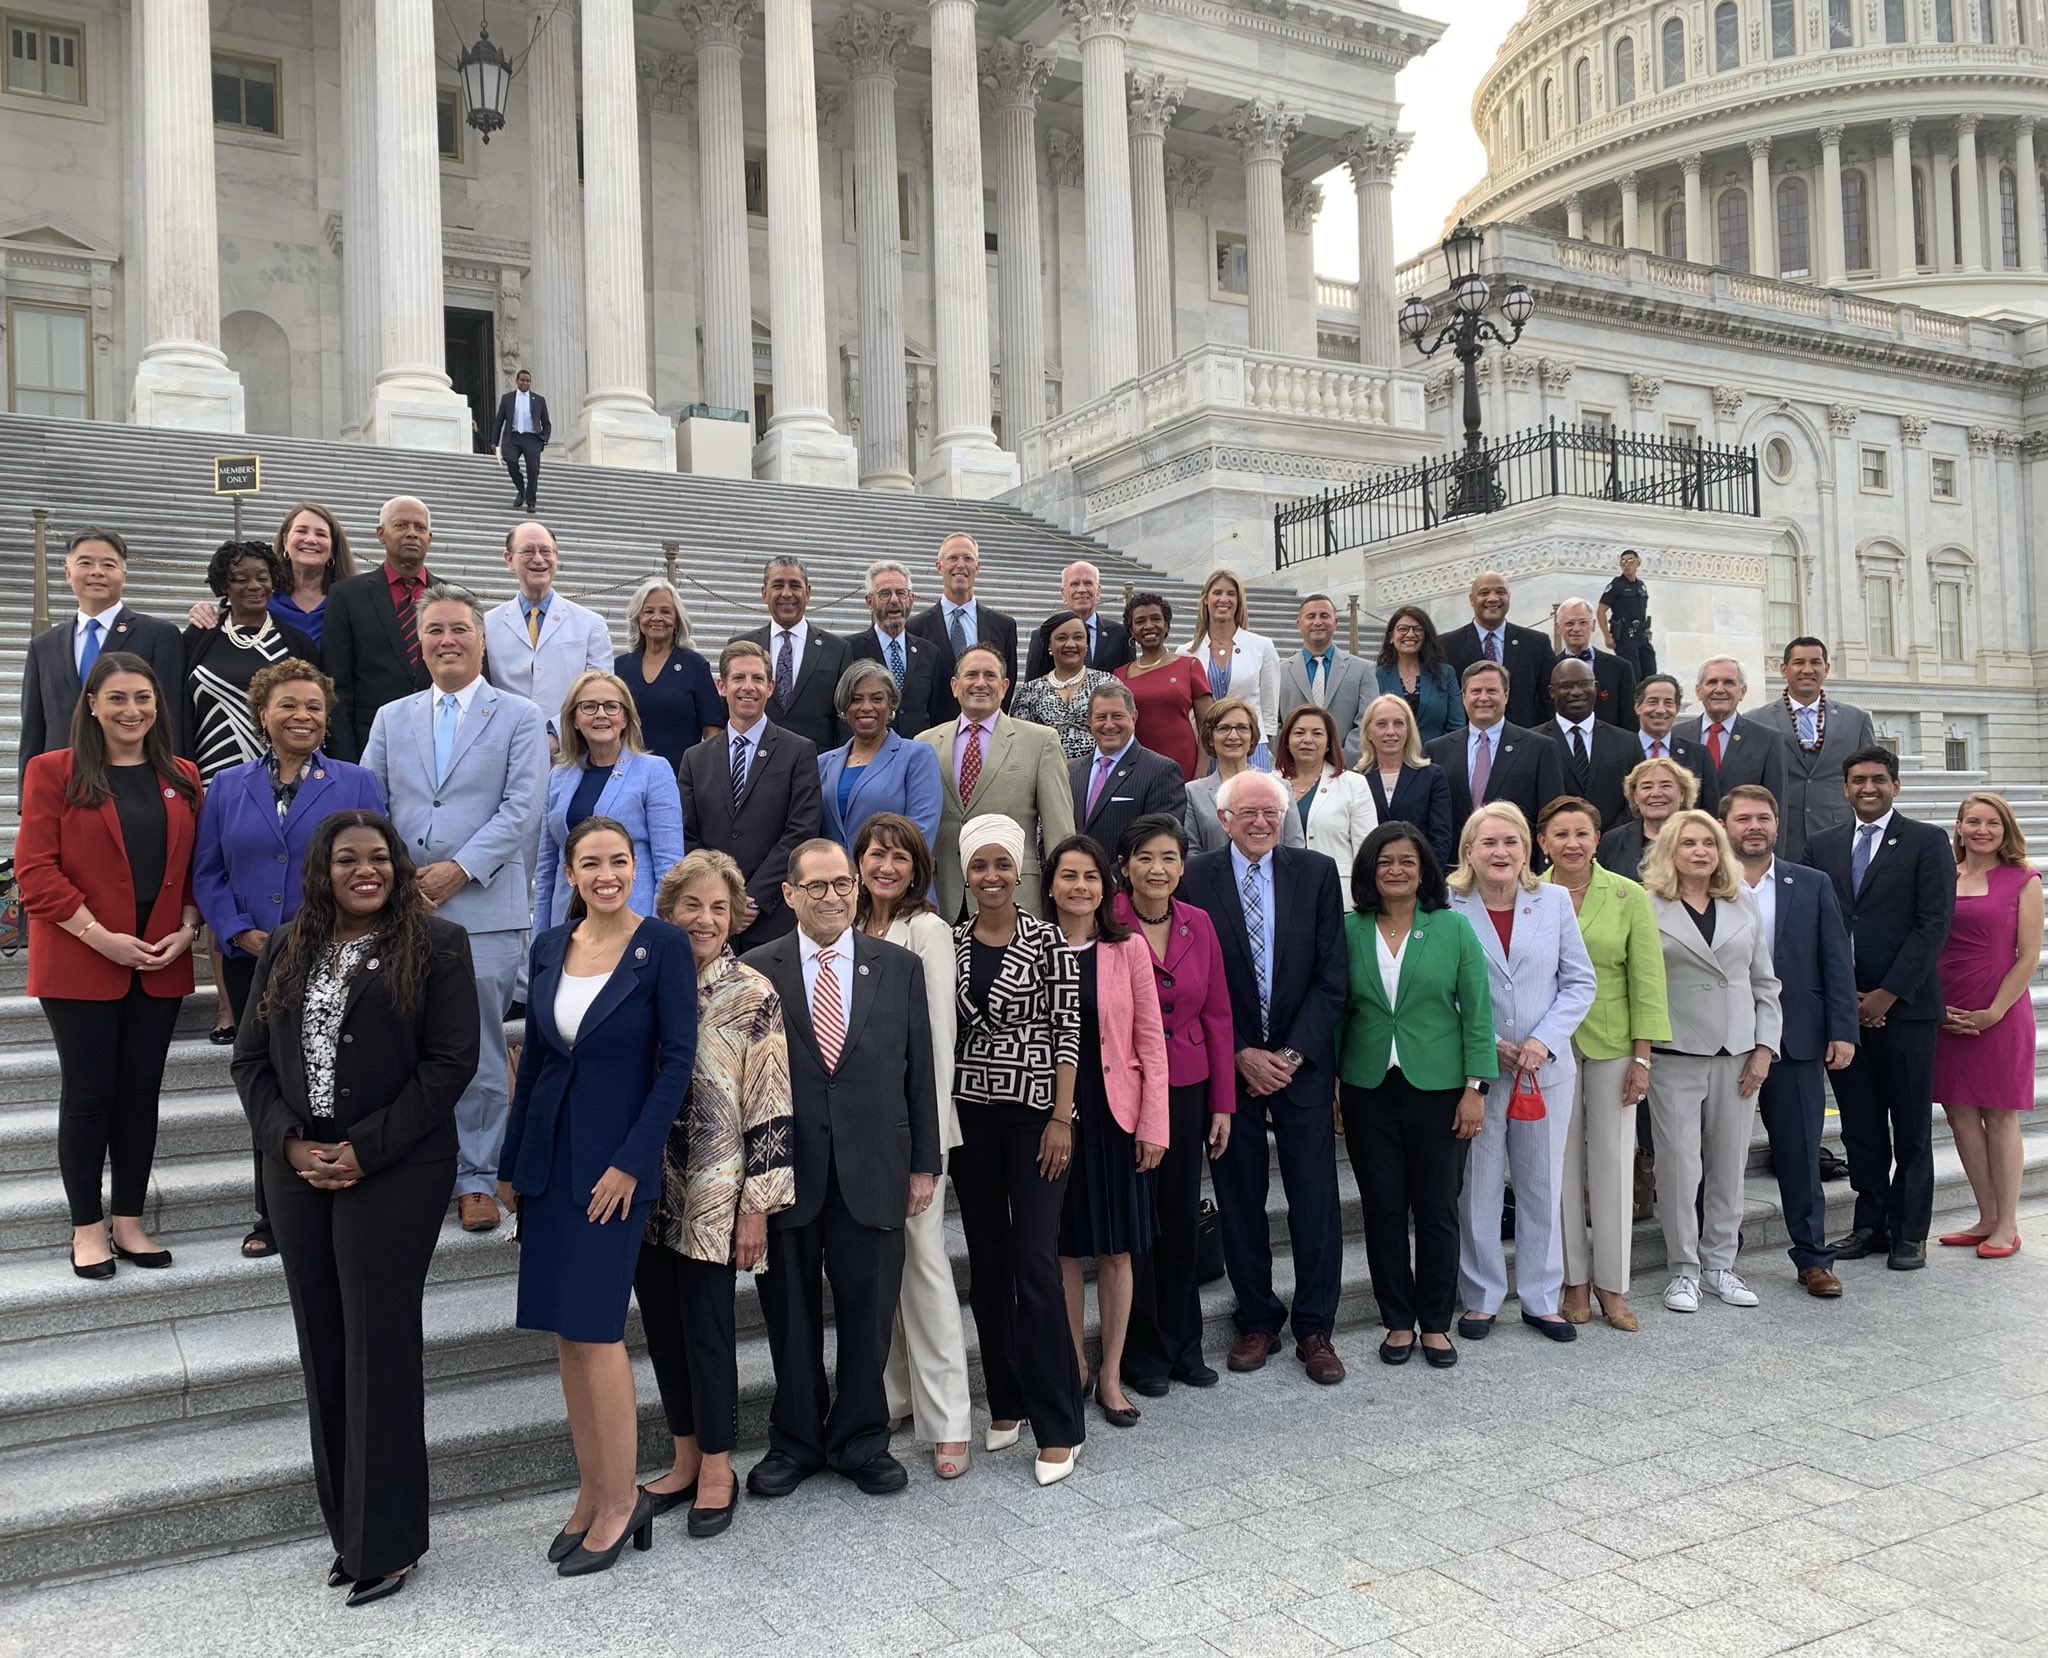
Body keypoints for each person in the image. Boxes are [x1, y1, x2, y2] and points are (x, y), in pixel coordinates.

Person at [229, 810, 480, 1605]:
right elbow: (249, 1061)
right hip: (297, 1170)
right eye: (346, 859)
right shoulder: (287, 945)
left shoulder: (439, 944)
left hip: (396, 1168)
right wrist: (288, 1144)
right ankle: (350, 1532)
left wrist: (364, 1148)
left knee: (379, 1345)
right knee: (324, 1342)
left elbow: (450, 1065)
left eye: (379, 857)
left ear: (398, 866)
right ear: (322, 869)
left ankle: (391, 1543)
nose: (364, 870)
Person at [498, 817, 695, 1574]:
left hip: (615, 1167)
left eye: (618, 860)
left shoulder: (663, 946)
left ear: (635, 866)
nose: (605, 874)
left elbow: (676, 1063)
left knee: (598, 1328)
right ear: (572, 871)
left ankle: (621, 1503)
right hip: (552, 1159)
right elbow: (537, 1062)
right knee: (566, 1332)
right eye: (591, 862)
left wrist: (631, 1164)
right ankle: (592, 1492)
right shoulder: (551, 945)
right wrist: (513, 1163)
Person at [742, 840, 940, 1499]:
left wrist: (924, 1164)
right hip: (786, 1173)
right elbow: (743, 1083)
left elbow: (920, 1071)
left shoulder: (899, 966)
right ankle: (796, 1440)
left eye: (842, 884)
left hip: (875, 1166)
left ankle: (861, 1440)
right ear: (789, 894)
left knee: (869, 1312)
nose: (832, 896)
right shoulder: (756, 969)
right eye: (816, 886)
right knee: (789, 1314)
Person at [364, 584, 548, 1234]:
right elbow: (371, 803)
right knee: (399, 1042)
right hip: (401, 908)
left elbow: (523, 808)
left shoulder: (520, 716)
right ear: (420, 641)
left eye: (459, 629)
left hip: (485, 907)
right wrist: (395, 875)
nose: (447, 640)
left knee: (479, 1046)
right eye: (435, 630)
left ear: (482, 639)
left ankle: (476, 1176)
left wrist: (459, 869)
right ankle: (412, 1166)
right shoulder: (392, 717)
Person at [18, 653, 203, 1279]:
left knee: (140, 1093)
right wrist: (102, 939)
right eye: (118, 698)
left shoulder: (182, 775)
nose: (133, 710)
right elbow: (36, 873)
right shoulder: (52, 771)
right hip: (81, 954)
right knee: (90, 1092)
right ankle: (86, 1227)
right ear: (92, 705)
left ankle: (128, 1219)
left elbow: (195, 868)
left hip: (159, 957)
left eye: (143, 698)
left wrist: (188, 929)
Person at [194, 659, 386, 1257]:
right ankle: (272, 1212)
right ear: (262, 714)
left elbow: (374, 864)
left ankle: (343, 1180)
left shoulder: (356, 781)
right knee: (268, 1079)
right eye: (288, 705)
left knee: (332, 1074)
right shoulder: (227, 787)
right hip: (251, 955)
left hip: (335, 953)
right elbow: (208, 872)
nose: (302, 716)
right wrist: (237, 931)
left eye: (314, 707)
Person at [638, 850, 794, 1539]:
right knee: (662, 1328)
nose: (704, 919)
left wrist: (756, 1206)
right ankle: (683, 1458)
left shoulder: (752, 992)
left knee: (707, 1331)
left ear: (733, 919)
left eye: (719, 908)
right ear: (668, 911)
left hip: (714, 1189)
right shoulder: (640, 978)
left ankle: (718, 1467)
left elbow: (770, 1102)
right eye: (692, 905)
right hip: (644, 1188)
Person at [1178, 770, 1349, 1384]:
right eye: (1246, 813)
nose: (1259, 822)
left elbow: (1333, 978)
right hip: (1230, 1070)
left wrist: (1292, 1057)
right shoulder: (1194, 877)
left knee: (1315, 1200)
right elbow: (1189, 978)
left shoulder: (1317, 874)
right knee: (1239, 1197)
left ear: (1284, 818)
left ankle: (1315, 1328)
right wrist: (1240, 1054)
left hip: (1302, 1067)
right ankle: (1256, 1319)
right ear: (1222, 820)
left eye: (1270, 813)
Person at [949, 813, 1085, 1483]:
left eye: (1002, 864)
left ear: (1020, 870)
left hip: (1036, 1118)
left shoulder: (1049, 939)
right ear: (966, 874)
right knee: (988, 1265)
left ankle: (1060, 1424)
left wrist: (1062, 1117)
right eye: (980, 866)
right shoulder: (950, 943)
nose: (992, 876)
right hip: (970, 1118)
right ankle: (1006, 1401)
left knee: (1034, 1261)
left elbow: (1068, 1030)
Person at [1338, 822, 1495, 1367]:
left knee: (1436, 1209)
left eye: (1407, 861)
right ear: (1369, 870)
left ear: (1425, 869)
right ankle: (1397, 1322)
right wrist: (1333, 1084)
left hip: (1441, 1089)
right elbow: (1339, 1012)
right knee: (1382, 1209)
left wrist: (1476, 1088)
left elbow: (1478, 1013)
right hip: (1367, 1088)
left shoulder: (1452, 928)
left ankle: (1435, 1323)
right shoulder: (1348, 929)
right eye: (1385, 861)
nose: (1396, 870)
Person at [1446, 803, 1596, 1344]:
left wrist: (1541, 1042)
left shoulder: (1552, 901)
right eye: (1488, 842)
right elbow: (1440, 987)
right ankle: (1482, 1297)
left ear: (1528, 850)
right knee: (1478, 1188)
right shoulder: (1448, 904)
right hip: (1477, 1076)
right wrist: (1488, 1044)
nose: (1501, 852)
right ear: (1469, 851)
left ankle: (1540, 1298)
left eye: (1511, 842)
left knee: (1540, 1185)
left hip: (1543, 1072)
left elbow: (1579, 982)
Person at [853, 815, 971, 1479]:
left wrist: (928, 1147)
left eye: (900, 857)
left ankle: (950, 1420)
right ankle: (896, 1396)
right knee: (881, 1267)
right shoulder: (846, 928)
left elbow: (937, 1042)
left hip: (916, 1129)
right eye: (877, 854)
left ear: (918, 867)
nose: (887, 867)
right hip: (861, 1130)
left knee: (923, 1267)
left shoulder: (926, 930)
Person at [1809, 748, 1956, 1272]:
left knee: (1911, 1126)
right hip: (1844, 1010)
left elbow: (1933, 924)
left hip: (1907, 1009)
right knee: (1860, 1125)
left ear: (1896, 785)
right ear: (1844, 788)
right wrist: (1846, 999)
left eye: (1877, 779)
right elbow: (1816, 923)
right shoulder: (1822, 845)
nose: (1867, 788)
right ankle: (1870, 1224)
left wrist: (1886, 994)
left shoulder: (1927, 841)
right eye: (1857, 780)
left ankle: (1910, 1231)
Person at [1045, 835, 1169, 1430]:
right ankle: (1073, 1363)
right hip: (1053, 1120)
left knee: (1117, 1251)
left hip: (1116, 1115)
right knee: (1065, 1249)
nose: (1080, 886)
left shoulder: (1128, 949)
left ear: (1105, 886)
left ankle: (1112, 1375)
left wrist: (1154, 1124)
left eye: (1090, 876)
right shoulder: (1035, 948)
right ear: (1050, 885)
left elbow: (1151, 1040)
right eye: (1068, 875)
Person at [1112, 815, 1235, 1396]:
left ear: (1183, 867)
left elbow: (1217, 1014)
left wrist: (1222, 1104)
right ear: (1124, 866)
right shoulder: (1107, 921)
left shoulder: (1198, 923)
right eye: (1145, 857)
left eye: (1168, 858)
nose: (1157, 869)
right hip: (1127, 1089)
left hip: (1187, 1087)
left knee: (1181, 1219)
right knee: (1139, 1221)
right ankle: (1143, 1353)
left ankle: (1185, 1345)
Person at [1640, 810, 1781, 1314]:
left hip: (1737, 1053)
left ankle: (1721, 1264)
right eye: (1688, 843)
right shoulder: (1646, 903)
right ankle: (1684, 1270)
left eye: (1707, 843)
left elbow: (1764, 981)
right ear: (1669, 851)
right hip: (1675, 1052)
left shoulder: (1741, 899)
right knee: (1679, 1167)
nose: (1699, 851)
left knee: (1729, 1164)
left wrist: (1765, 1048)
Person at [180, 540, 322, 1040]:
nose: (253, 585)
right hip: (214, 781)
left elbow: (315, 703)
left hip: (283, 776)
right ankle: (227, 1005)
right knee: (223, 883)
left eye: (262, 576)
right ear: (223, 584)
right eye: (240, 577)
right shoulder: (199, 637)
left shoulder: (294, 639)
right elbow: (179, 705)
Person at [1536, 797, 1668, 1331]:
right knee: (1560, 1164)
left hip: (1613, 1045)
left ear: (1597, 839)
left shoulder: (1627, 894)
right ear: (1543, 842)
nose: (1572, 843)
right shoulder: (1529, 893)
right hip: (1549, 1046)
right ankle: (1574, 1280)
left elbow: (1648, 980)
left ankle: (1613, 1284)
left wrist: (1643, 1058)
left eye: (1582, 833)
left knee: (1613, 1162)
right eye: (1560, 834)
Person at [1722, 785, 1858, 1297]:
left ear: (1777, 824)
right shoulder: (1707, 884)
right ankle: (1720, 1252)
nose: (1754, 827)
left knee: (1800, 1153)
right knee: (1719, 1153)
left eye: (1763, 818)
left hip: (1797, 1037)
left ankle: (1814, 1258)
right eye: (1743, 819)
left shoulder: (1811, 882)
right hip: (1724, 1039)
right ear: (1725, 825)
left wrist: (1843, 1029)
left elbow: (1835, 959)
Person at [1934, 792, 2040, 1261]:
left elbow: (2029, 956)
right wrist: (1936, 1005)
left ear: (2005, 829)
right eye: (1973, 821)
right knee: (1959, 1114)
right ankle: (1986, 1216)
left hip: (2000, 1009)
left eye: (1992, 823)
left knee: (1998, 1115)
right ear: (1959, 827)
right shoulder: (1943, 876)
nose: (1982, 830)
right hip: (1947, 1009)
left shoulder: (2023, 878)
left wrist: (1995, 1011)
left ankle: (2008, 1224)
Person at [677, 640, 824, 953]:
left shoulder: (799, 751)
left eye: (757, 678)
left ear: (770, 687)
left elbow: (801, 830)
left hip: (773, 918)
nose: (748, 687)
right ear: (721, 686)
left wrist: (751, 898)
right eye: (738, 678)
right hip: (710, 920)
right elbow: (688, 834)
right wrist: (720, 898)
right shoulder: (694, 758)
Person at [918, 643, 1075, 919]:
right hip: (942, 898)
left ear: (1004, 687)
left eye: (990, 675)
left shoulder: (1041, 741)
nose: (980, 683)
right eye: (971, 674)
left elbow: (1059, 832)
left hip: (1015, 896)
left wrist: (1065, 899)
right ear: (954, 686)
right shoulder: (924, 744)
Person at [20, 529, 186, 787]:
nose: (97, 572)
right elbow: (33, 730)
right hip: (62, 783)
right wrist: (27, 794)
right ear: (67, 572)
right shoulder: (44, 645)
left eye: (108, 565)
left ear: (124, 575)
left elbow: (171, 718)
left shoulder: (159, 635)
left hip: (135, 783)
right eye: (85, 563)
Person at [532, 671, 685, 931]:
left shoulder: (654, 771)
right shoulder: (558, 776)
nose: (601, 714)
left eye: (612, 706)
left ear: (625, 718)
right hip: (567, 926)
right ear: (574, 719)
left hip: (633, 924)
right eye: (589, 706)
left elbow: (669, 865)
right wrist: (541, 938)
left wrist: (654, 933)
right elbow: (547, 868)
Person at [321, 496, 437, 762]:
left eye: (420, 528)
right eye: (401, 525)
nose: (412, 533)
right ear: (381, 534)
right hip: (370, 742)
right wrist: (346, 760)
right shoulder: (347, 596)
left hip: (438, 742)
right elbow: (336, 683)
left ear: (429, 538)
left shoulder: (452, 597)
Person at [1743, 638, 1877, 862]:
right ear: (1783, 669)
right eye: (1799, 663)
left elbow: (1870, 778)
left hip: (1838, 834)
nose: (1807, 670)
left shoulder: (1856, 720)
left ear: (1826, 668)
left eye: (1815, 662)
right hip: (1781, 837)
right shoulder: (1756, 720)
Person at [484, 523, 616, 742]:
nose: (538, 559)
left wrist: (556, 734)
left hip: (570, 746)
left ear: (556, 557)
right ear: (509, 559)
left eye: (546, 551)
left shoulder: (590, 624)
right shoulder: (487, 624)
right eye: (528, 551)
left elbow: (599, 692)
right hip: (505, 741)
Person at [1424, 662, 1566, 845]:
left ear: (1506, 695)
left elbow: (1551, 819)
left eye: (1491, 691)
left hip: (1515, 858)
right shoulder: (1436, 750)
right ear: (1464, 697)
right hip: (1454, 859)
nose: (1483, 698)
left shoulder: (1540, 748)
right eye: (1476, 691)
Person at [185, 502, 359, 646]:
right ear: (285, 540)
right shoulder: (263, 596)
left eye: (321, 534)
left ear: (333, 548)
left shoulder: (352, 601)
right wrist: (206, 612)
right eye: (301, 531)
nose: (310, 539)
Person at [818, 660, 943, 853]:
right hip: (835, 871)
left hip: (889, 870)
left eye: (876, 699)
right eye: (856, 699)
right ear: (844, 707)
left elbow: (921, 833)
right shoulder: (822, 763)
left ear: (891, 704)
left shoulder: (917, 756)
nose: (866, 707)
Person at [740, 557, 852, 752]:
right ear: (764, 593)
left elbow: (845, 719)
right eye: (778, 585)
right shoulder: (742, 647)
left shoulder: (837, 650)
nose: (786, 593)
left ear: (807, 592)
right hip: (755, 760)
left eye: (795, 585)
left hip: (817, 762)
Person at [614, 575, 723, 771]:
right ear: (638, 618)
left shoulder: (695, 665)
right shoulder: (620, 667)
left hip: (680, 777)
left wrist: (706, 775)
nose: (657, 618)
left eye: (665, 611)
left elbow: (713, 732)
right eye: (648, 611)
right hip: (627, 775)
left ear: (677, 620)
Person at [1070, 681, 1188, 861]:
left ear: (1133, 718)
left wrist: (1113, 875)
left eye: (1117, 716)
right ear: (1089, 721)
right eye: (1101, 717)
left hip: (1125, 877)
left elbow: (1160, 843)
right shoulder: (1072, 771)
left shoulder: (1162, 771)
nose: (1109, 725)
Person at [909, 532, 1020, 718]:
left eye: (968, 558)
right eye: (952, 558)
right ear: (939, 566)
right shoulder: (915, 628)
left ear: (977, 566)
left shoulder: (1003, 627)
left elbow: (1007, 686)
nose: (960, 565)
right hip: (936, 730)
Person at [1185, 571, 1282, 766]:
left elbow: (1270, 706)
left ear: (1239, 601)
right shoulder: (1186, 653)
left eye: (1231, 594)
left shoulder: (1262, 646)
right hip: (1206, 750)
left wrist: (1259, 739)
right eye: (1217, 593)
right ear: (1206, 599)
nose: (1224, 599)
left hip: (1250, 748)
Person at [1184, 697, 1304, 854]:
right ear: (1210, 738)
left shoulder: (1280, 787)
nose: (1233, 736)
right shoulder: (1193, 793)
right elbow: (1191, 854)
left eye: (1242, 728)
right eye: (1223, 728)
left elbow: (1295, 849)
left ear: (1252, 737)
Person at [1440, 570, 1554, 729]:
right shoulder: (1446, 645)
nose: (1493, 598)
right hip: (1467, 740)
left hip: (1526, 739)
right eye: (1484, 593)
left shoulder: (1537, 644)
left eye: (1500, 592)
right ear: (1472, 599)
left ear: (1509, 597)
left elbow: (1549, 701)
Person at [1115, 593, 1212, 779]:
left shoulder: (1189, 666)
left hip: (1183, 766)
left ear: (1166, 625)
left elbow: (1207, 725)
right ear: (1131, 630)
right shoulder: (1119, 674)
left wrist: (1200, 774)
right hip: (1135, 768)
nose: (1149, 626)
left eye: (1156, 619)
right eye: (1140, 621)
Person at [1536, 657, 1638, 832]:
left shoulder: (1628, 742)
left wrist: (1608, 839)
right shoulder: (1533, 743)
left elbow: (1637, 797)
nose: (1576, 692)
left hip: (1616, 843)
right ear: (1552, 692)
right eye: (1566, 685)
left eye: (1584, 684)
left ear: (1596, 688)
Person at [846, 560, 947, 736]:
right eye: (885, 593)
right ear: (870, 601)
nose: (894, 600)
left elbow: (935, 712)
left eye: (901, 593)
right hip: (870, 747)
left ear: (911, 599)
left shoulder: (930, 653)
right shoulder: (849, 649)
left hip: (916, 748)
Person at [1684, 656, 1789, 826]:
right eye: (1712, 682)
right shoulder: (1678, 736)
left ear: (1742, 692)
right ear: (1698, 691)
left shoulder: (1768, 740)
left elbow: (1776, 807)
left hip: (1745, 839)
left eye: (1728, 682)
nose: (1719, 689)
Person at [1277, 703, 1378, 877]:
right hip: (1281, 884)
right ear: (1286, 741)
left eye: (1317, 733)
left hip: (1336, 885)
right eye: (1299, 733)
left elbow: (1367, 850)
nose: (1307, 740)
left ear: (1329, 743)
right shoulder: (1269, 784)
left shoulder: (1354, 785)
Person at [1355, 694, 1454, 868]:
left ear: (1409, 730)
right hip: (1368, 875)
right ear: (1368, 732)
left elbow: (1441, 838)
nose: (1390, 731)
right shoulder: (1355, 778)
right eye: (1381, 724)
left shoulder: (1432, 776)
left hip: (1419, 877)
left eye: (1398, 723)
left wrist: (1423, 876)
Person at [1010, 612, 1118, 761]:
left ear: (1087, 644)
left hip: (1101, 770)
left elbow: (1122, 730)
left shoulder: (1108, 684)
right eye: (1062, 638)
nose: (1071, 644)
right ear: (1049, 645)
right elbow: (1020, 744)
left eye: (1078, 637)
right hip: (1046, 772)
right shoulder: (1029, 691)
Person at [1281, 594, 1372, 766]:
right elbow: (1273, 723)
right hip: (1294, 769)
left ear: (1335, 622)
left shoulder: (1363, 670)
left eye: (1324, 616)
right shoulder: (1280, 672)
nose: (1317, 622)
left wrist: (1340, 760)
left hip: (1347, 768)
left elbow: (1367, 723)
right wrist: (1290, 758)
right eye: (1310, 616)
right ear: (1299, 623)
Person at [1372, 604, 1465, 744]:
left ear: (1426, 637)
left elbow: (1457, 725)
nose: (1410, 634)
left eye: (1418, 629)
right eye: (1403, 629)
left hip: (1436, 755)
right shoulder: (1375, 675)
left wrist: (1440, 752)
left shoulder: (1445, 674)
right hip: (1389, 754)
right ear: (1391, 637)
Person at [1023, 559, 1131, 679]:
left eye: (1088, 583)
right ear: (1064, 594)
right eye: (1074, 584)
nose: (1082, 590)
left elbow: (1129, 682)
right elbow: (1031, 683)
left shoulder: (1120, 634)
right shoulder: (1043, 636)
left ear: (1098, 592)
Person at [1597, 755, 1698, 877]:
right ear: (1635, 796)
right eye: (1647, 787)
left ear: (1682, 794)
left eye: (1665, 785)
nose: (1656, 793)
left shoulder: (1702, 837)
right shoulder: (1612, 841)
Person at [1631, 676, 1718, 810]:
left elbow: (1710, 808)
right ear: (1638, 707)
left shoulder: (1698, 754)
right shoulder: (1620, 750)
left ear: (1677, 708)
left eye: (1668, 703)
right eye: (1653, 702)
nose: (1660, 710)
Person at [1553, 598, 1637, 730]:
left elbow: (1629, 718)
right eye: (1569, 623)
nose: (1576, 629)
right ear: (1558, 628)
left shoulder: (1620, 668)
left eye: (1583, 623)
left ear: (1593, 625)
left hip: (1609, 741)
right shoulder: (1549, 667)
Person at [491, 368, 551, 510]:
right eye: (522, 380)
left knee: (533, 470)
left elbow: (546, 422)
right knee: (510, 460)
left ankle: (531, 502)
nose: (525, 383)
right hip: (513, 437)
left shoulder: (539, 400)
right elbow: (499, 420)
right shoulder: (507, 398)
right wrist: (494, 441)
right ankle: (521, 490)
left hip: (532, 438)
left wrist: (544, 438)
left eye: (527, 381)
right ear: (517, 381)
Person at [1598, 549, 1655, 679]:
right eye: (1623, 562)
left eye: (1630, 561)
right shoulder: (1616, 586)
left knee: (1650, 672)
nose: (1626, 565)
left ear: (1638, 563)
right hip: (1625, 637)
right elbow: (1600, 611)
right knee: (1633, 675)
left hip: (1641, 635)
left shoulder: (1641, 585)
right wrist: (1607, 636)